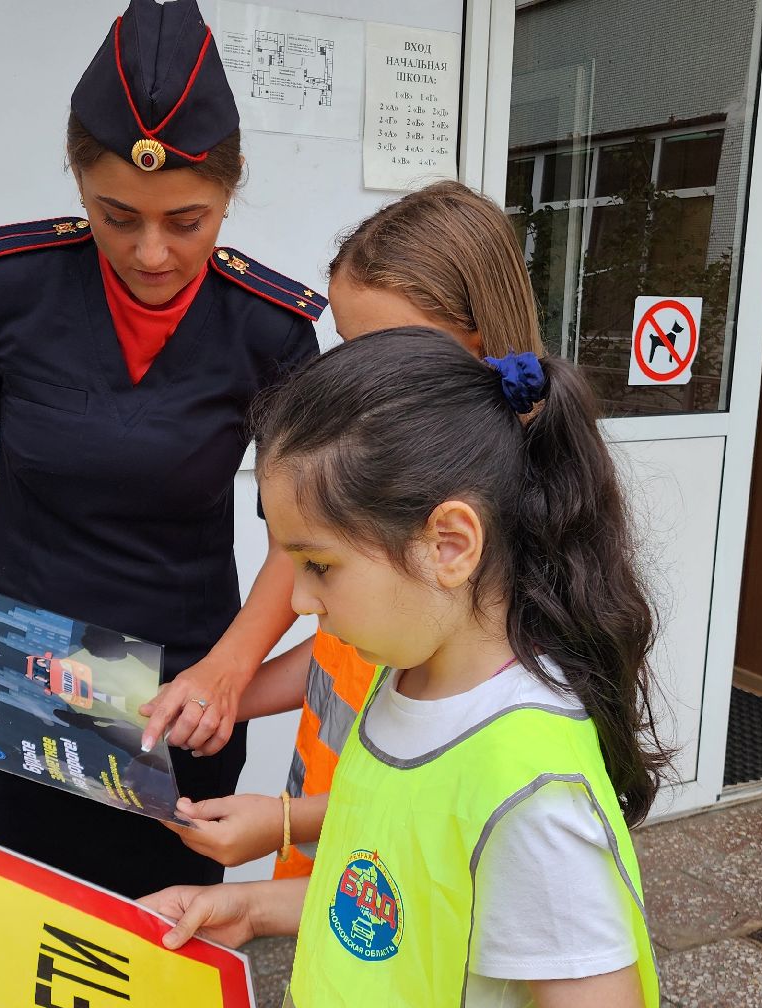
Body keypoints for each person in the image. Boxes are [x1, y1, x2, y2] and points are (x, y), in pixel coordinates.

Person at [143, 327, 668, 1008]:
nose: (297, 599)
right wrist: (252, 908)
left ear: (449, 545)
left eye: (319, 565)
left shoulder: (532, 798)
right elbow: (390, 903)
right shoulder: (404, 681)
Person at [0, 0, 322, 898]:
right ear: (76, 181)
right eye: (116, 215)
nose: (153, 250)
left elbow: (304, 534)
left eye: (188, 220)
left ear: (229, 196)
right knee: (8, 918)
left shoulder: (268, 329)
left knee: (160, 927)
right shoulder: (6, 292)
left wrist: (233, 667)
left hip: (180, 686)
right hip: (15, 667)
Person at [162, 181, 545, 877]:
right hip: (336, 859)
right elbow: (343, 655)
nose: (353, 377)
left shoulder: (488, 542)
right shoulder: (390, 504)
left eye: (386, 349)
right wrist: (226, 695)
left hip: (394, 880)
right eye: (344, 348)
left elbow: (450, 791)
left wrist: (284, 822)